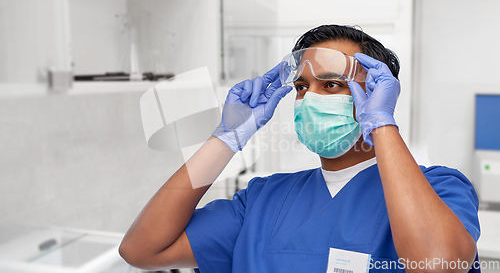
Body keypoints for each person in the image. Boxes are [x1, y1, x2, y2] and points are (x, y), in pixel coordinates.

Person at [119, 25, 481, 273]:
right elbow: (142, 249)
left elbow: (439, 264)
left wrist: (381, 123)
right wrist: (227, 137)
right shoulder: (263, 200)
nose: (310, 99)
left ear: (375, 95)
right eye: (302, 86)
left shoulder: (440, 187)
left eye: (333, 84)